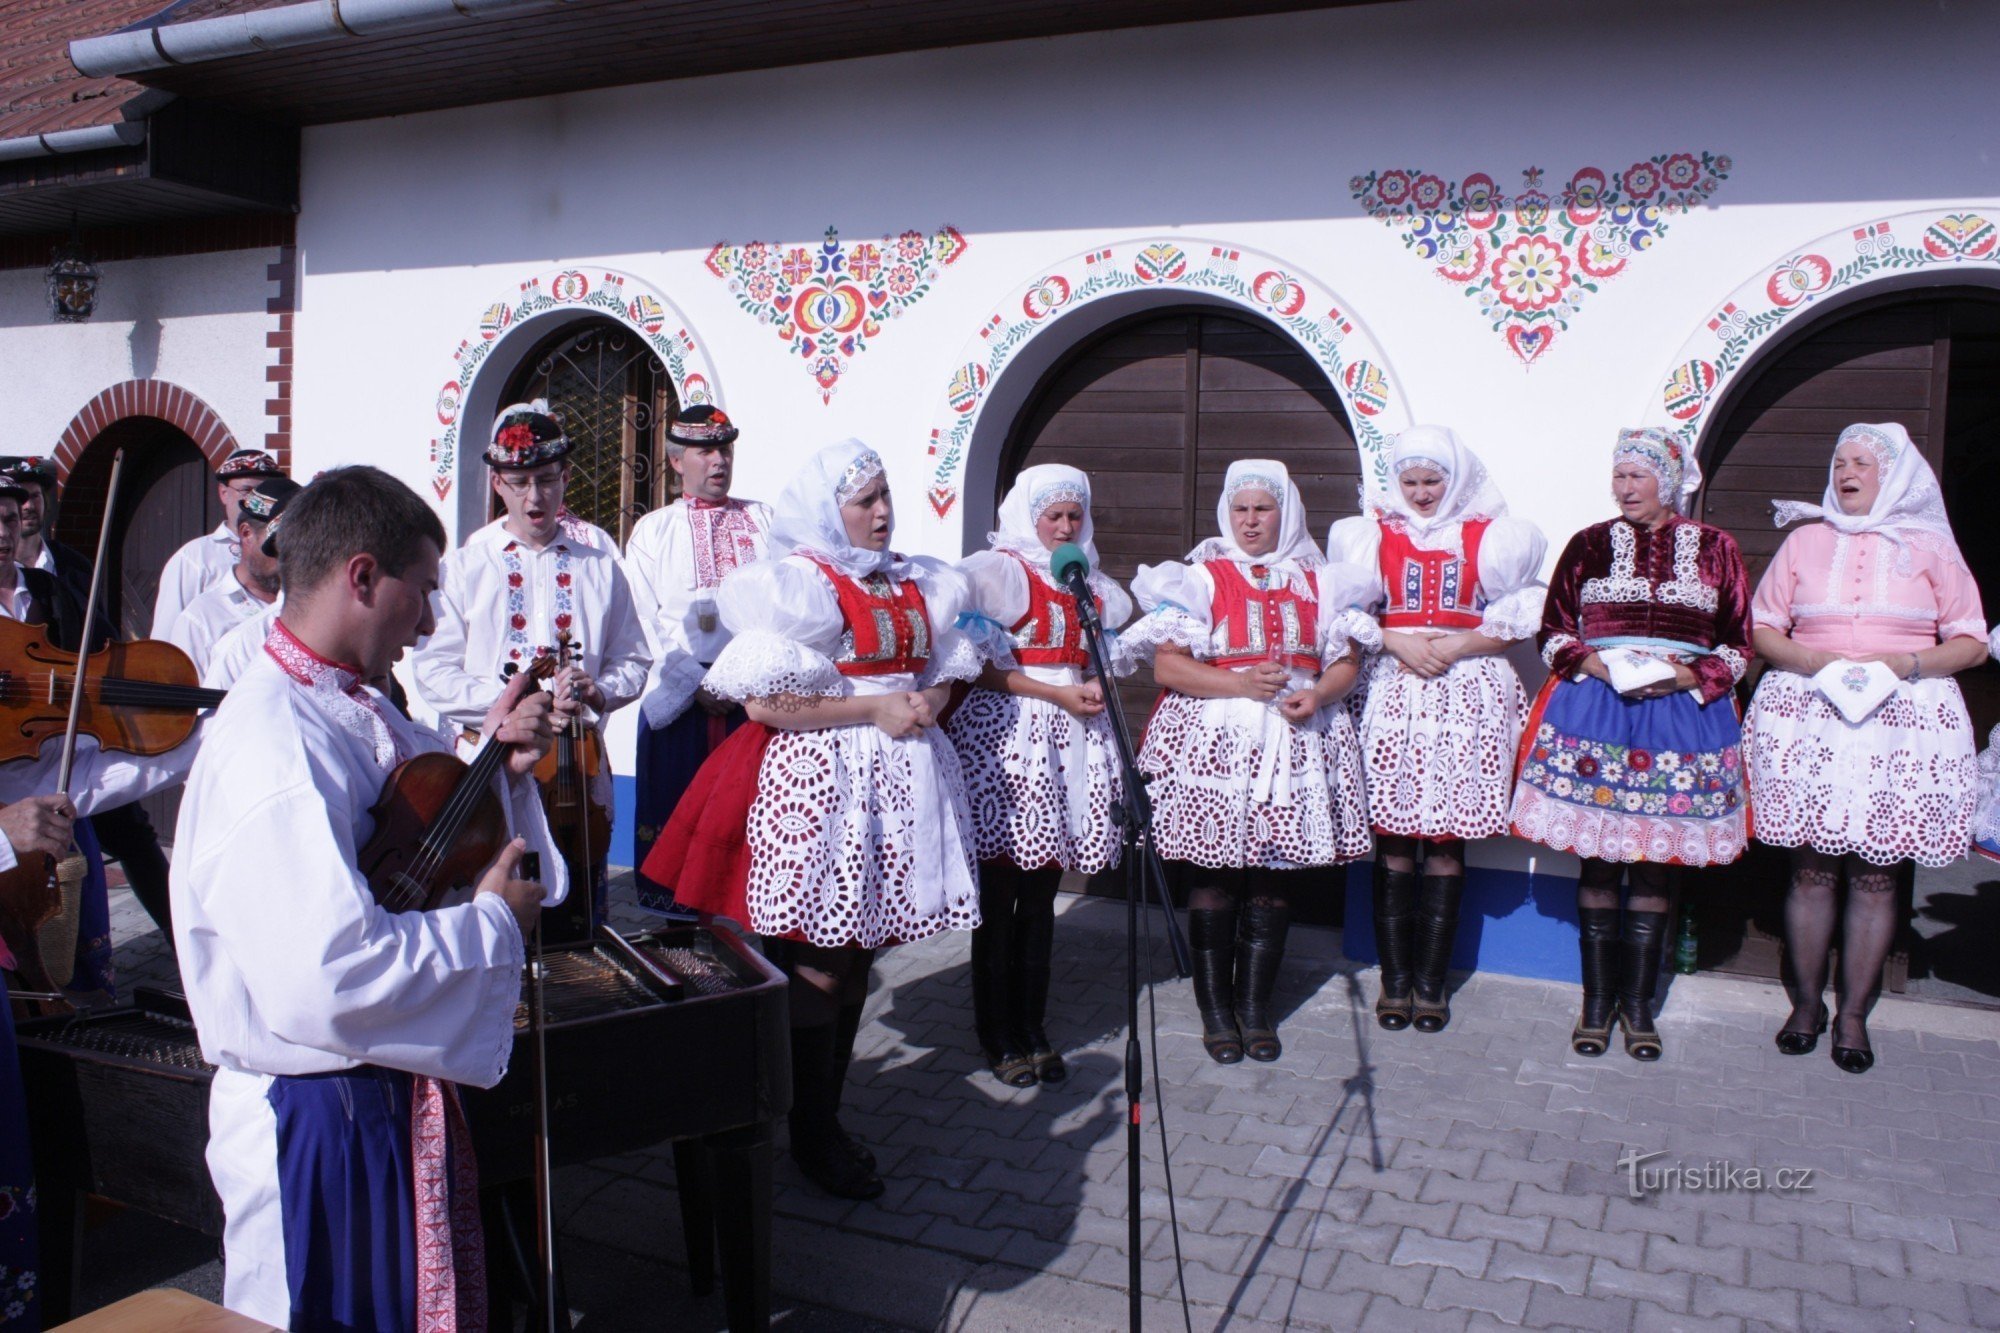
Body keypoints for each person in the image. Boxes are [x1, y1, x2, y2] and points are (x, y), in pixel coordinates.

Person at [170, 466, 566, 1332]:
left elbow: (436, 835)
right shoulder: (275, 739)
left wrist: (502, 767)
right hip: (311, 1119)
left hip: (370, 1097)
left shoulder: (353, 705)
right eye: (421, 592)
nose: (427, 624)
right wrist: (491, 924)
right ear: (360, 577)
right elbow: (329, 973)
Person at [642, 439, 982, 1200]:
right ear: (831, 511)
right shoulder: (798, 585)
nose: (883, 511)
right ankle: (803, 1127)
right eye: (865, 500)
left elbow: (942, 668)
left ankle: (818, 1115)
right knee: (819, 960)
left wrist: (930, 700)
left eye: (886, 494)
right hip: (819, 787)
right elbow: (762, 704)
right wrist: (874, 707)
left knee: (857, 954)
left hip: (890, 787)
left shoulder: (913, 581)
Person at [1742, 423, 1985, 1074]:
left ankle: (1852, 1014)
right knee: (1812, 868)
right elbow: (1763, 626)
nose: (1846, 471)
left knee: (1877, 877)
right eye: (1839, 460)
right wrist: (1814, 659)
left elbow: (1971, 641)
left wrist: (1904, 661)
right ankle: (1804, 1004)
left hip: (1899, 724)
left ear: (1894, 475)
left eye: (1861, 463)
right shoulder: (1804, 541)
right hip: (1812, 718)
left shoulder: (1929, 546)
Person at [1512, 428, 1753, 1062]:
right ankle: (1596, 1005)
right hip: (1598, 712)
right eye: (1618, 476)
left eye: (1637, 477)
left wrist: (1681, 676)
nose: (1624, 489)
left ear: (1669, 482)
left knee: (1651, 864)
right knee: (1598, 862)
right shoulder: (1589, 545)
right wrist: (1600, 668)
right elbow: (1554, 632)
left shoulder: (1716, 549)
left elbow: (1737, 643)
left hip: (1680, 719)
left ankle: (1638, 1008)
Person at [1125, 459, 1375, 1065]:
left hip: (1295, 741)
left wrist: (1318, 692)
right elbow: (1167, 666)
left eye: (1263, 509)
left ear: (1284, 512)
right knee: (1216, 876)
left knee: (1272, 875)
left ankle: (1255, 1007)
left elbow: (1346, 661)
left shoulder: (1322, 581)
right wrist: (1239, 685)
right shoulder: (1200, 578)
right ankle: (1217, 1013)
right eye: (1241, 509)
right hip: (1218, 742)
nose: (1251, 521)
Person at [1328, 427, 1547, 1033]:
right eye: (1411, 482)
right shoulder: (1370, 536)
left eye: (1433, 481)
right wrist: (1393, 638)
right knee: (1395, 838)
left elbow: (1524, 613)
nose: (1422, 493)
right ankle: (1394, 982)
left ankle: (1432, 985)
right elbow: (1344, 609)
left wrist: (1457, 645)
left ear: (1455, 480)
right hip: (1394, 691)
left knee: (1448, 841)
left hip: (1467, 693)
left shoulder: (1492, 537)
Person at [412, 400, 650, 928]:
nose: (534, 496)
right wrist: (512, 707)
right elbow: (433, 671)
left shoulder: (600, 567)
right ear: (497, 482)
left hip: (577, 763)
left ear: (565, 476)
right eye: (519, 482)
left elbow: (633, 659)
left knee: (579, 901)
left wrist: (599, 690)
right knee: (492, 897)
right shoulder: (468, 565)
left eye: (546, 479)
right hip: (487, 761)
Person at [947, 465, 1133, 1086]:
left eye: (1074, 516)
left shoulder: (1088, 584)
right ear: (1028, 517)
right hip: (1011, 743)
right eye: (1053, 516)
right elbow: (978, 670)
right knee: (1001, 896)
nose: (1064, 527)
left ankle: (1033, 1024)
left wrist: (1086, 691)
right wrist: (1054, 695)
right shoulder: (1000, 573)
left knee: (1041, 899)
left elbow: (1093, 660)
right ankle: (995, 1031)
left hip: (1067, 746)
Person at [0, 456, 178, 949]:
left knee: (115, 845)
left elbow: (98, 652)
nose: (2, 533)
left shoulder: (50, 586)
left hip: (58, 742)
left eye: (10, 520)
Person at [621, 406, 772, 914]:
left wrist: (737, 678)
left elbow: (781, 608)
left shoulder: (763, 520)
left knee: (747, 825)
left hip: (750, 700)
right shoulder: (652, 530)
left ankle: (745, 938)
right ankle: (679, 947)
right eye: (705, 451)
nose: (718, 461)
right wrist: (694, 683)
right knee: (676, 829)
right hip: (679, 704)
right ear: (674, 462)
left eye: (724, 449)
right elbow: (641, 618)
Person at [166, 477, 300, 678]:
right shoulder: (201, 620)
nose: (292, 554)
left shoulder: (310, 608)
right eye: (282, 542)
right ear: (246, 534)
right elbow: (184, 703)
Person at [151, 448, 286, 637]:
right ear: (223, 493)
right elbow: (164, 640)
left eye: (262, 494)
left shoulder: (287, 554)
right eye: (247, 491)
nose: (255, 502)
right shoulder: (195, 558)